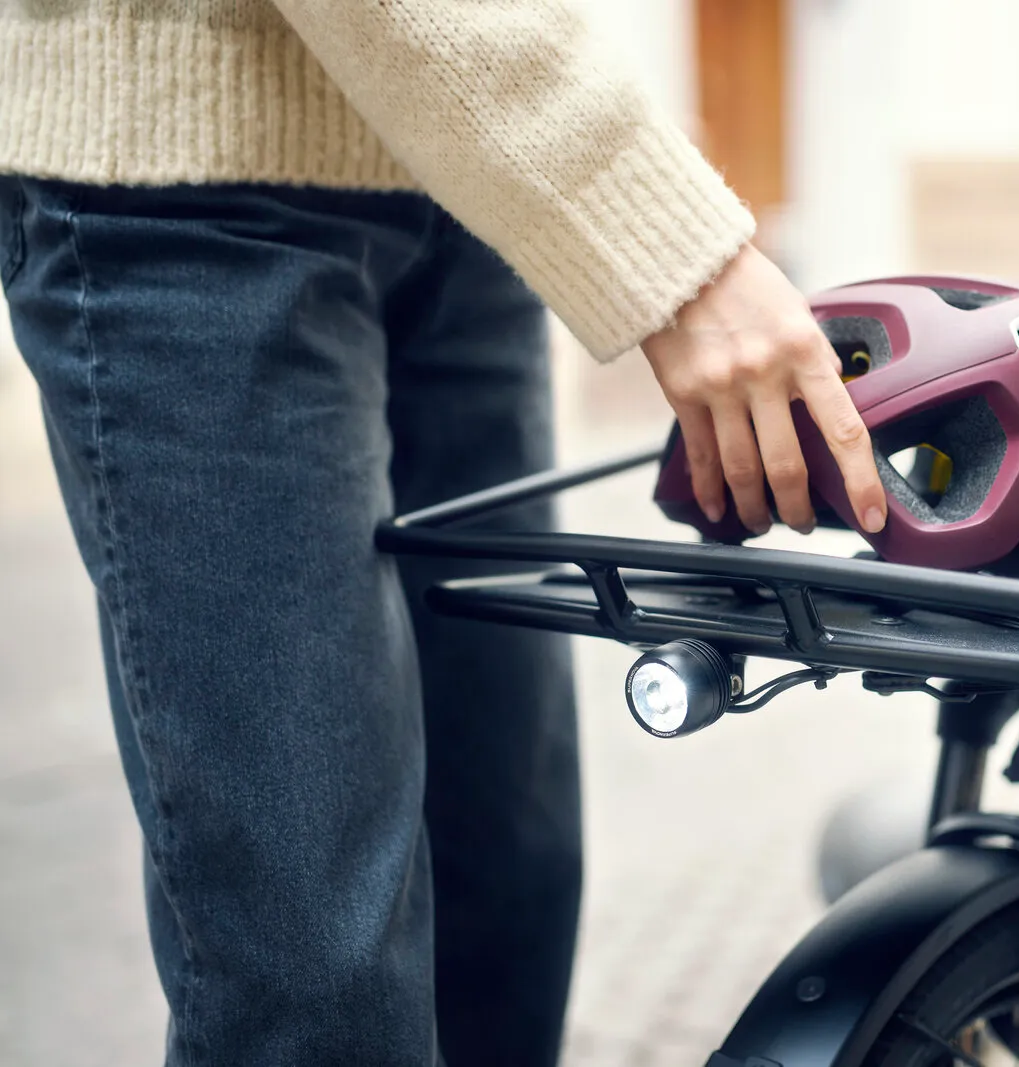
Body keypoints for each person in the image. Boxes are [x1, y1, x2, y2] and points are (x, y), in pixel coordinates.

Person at [0, 0, 888, 1063]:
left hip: (460, 196)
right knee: (327, 993)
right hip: (190, 199)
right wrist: (671, 243)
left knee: (504, 901)